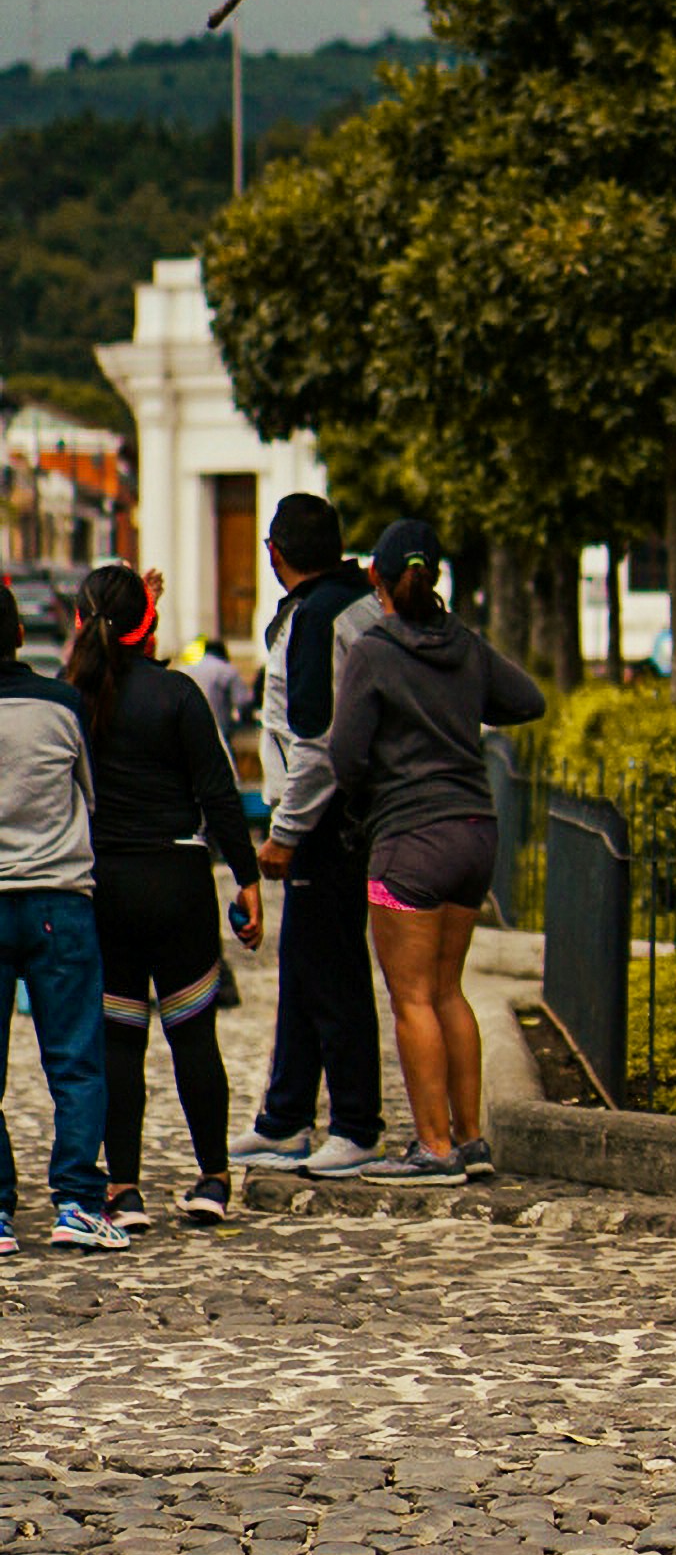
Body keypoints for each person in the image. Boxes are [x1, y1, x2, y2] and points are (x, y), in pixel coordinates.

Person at [326, 518, 545, 1182]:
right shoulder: (465, 645)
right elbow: (527, 699)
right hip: (475, 835)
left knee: (412, 997)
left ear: (376, 579)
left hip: (410, 843)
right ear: (438, 577)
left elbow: (343, 755)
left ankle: (434, 1148)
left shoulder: (372, 650)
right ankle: (471, 1139)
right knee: (449, 991)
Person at [64, 562, 263, 1230]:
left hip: (106, 885)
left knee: (119, 1042)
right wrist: (248, 877)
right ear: (147, 627)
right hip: (179, 882)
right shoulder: (178, 696)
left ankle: (123, 1187)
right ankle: (211, 1179)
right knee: (192, 1034)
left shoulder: (74, 700)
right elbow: (219, 795)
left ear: (80, 624)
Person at [234, 495, 385, 1176]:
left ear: (275, 552)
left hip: (326, 821)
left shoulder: (316, 619)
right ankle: (285, 1115)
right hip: (351, 812)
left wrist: (285, 832)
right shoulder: (357, 603)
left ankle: (355, 1122)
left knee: (332, 972)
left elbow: (313, 741)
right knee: (302, 965)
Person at [0, 579, 127, 1255]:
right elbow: (90, 797)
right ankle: (77, 1200)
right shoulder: (62, 706)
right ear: (19, 636)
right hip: (58, 899)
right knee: (76, 1062)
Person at [183, 638, 245, 745]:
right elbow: (243, 700)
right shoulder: (226, 670)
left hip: (189, 728)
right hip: (219, 729)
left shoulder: (187, 669)